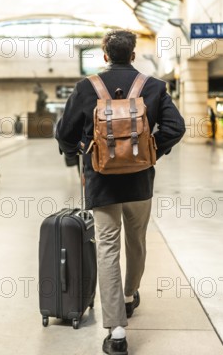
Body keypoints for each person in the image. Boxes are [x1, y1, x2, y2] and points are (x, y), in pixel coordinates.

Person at [56, 30, 185, 355]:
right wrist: (151, 150)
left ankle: (116, 332)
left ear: (104, 56)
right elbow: (176, 127)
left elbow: (64, 133)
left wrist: (82, 148)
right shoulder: (153, 87)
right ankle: (129, 296)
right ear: (133, 55)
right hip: (140, 182)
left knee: (108, 250)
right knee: (136, 242)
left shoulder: (87, 88)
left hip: (101, 182)